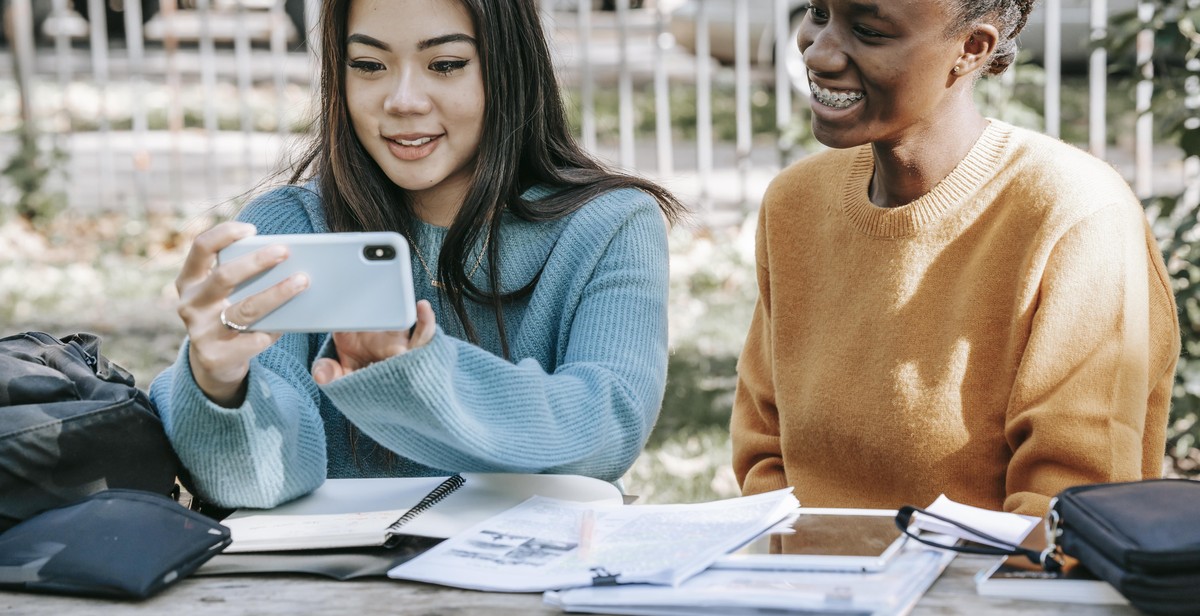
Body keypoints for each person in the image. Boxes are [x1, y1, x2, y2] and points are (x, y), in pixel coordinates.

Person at [150, 0, 685, 509]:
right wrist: (218, 385)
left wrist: (422, 375)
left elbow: (605, 429)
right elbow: (261, 477)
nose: (403, 100)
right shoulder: (289, 227)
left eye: (445, 63)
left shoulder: (611, 224)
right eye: (368, 64)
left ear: (509, 66)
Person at [731, 0, 1181, 518]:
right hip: (803, 586)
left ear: (971, 48)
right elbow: (764, 452)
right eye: (817, 11)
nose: (820, 53)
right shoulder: (796, 201)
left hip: (992, 591)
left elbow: (1066, 507)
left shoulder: (1076, 213)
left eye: (868, 31)